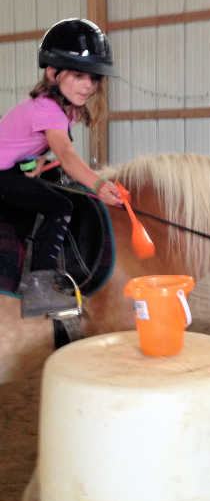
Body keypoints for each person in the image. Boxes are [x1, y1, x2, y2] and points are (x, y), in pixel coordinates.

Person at [0, 18, 122, 317]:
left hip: (11, 168)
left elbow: (44, 149)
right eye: (79, 76)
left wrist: (39, 162)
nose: (88, 86)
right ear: (53, 73)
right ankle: (39, 289)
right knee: (60, 205)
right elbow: (67, 156)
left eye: (93, 79)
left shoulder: (62, 110)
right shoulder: (48, 110)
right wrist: (98, 185)